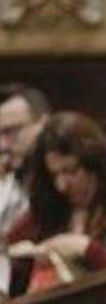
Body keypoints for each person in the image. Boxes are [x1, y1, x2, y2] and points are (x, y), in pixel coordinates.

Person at [5, 111, 106, 295]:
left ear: (95, 165)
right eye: (54, 175)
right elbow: (7, 246)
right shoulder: (47, 210)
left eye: (71, 171)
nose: (61, 186)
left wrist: (87, 250)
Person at [0, 83, 50, 236]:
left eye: (12, 131)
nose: (2, 146)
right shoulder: (8, 186)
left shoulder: (71, 187)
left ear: (43, 123)